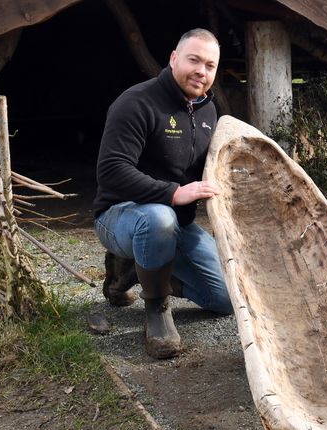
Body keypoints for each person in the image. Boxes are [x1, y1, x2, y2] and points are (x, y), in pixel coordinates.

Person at [92, 28, 232, 359]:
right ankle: (156, 309)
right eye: (194, 60)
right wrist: (172, 193)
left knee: (226, 299)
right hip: (120, 215)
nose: (201, 70)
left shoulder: (209, 113)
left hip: (175, 225)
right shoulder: (136, 103)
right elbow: (111, 171)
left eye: (210, 65)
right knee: (159, 218)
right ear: (173, 58)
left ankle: (134, 271)